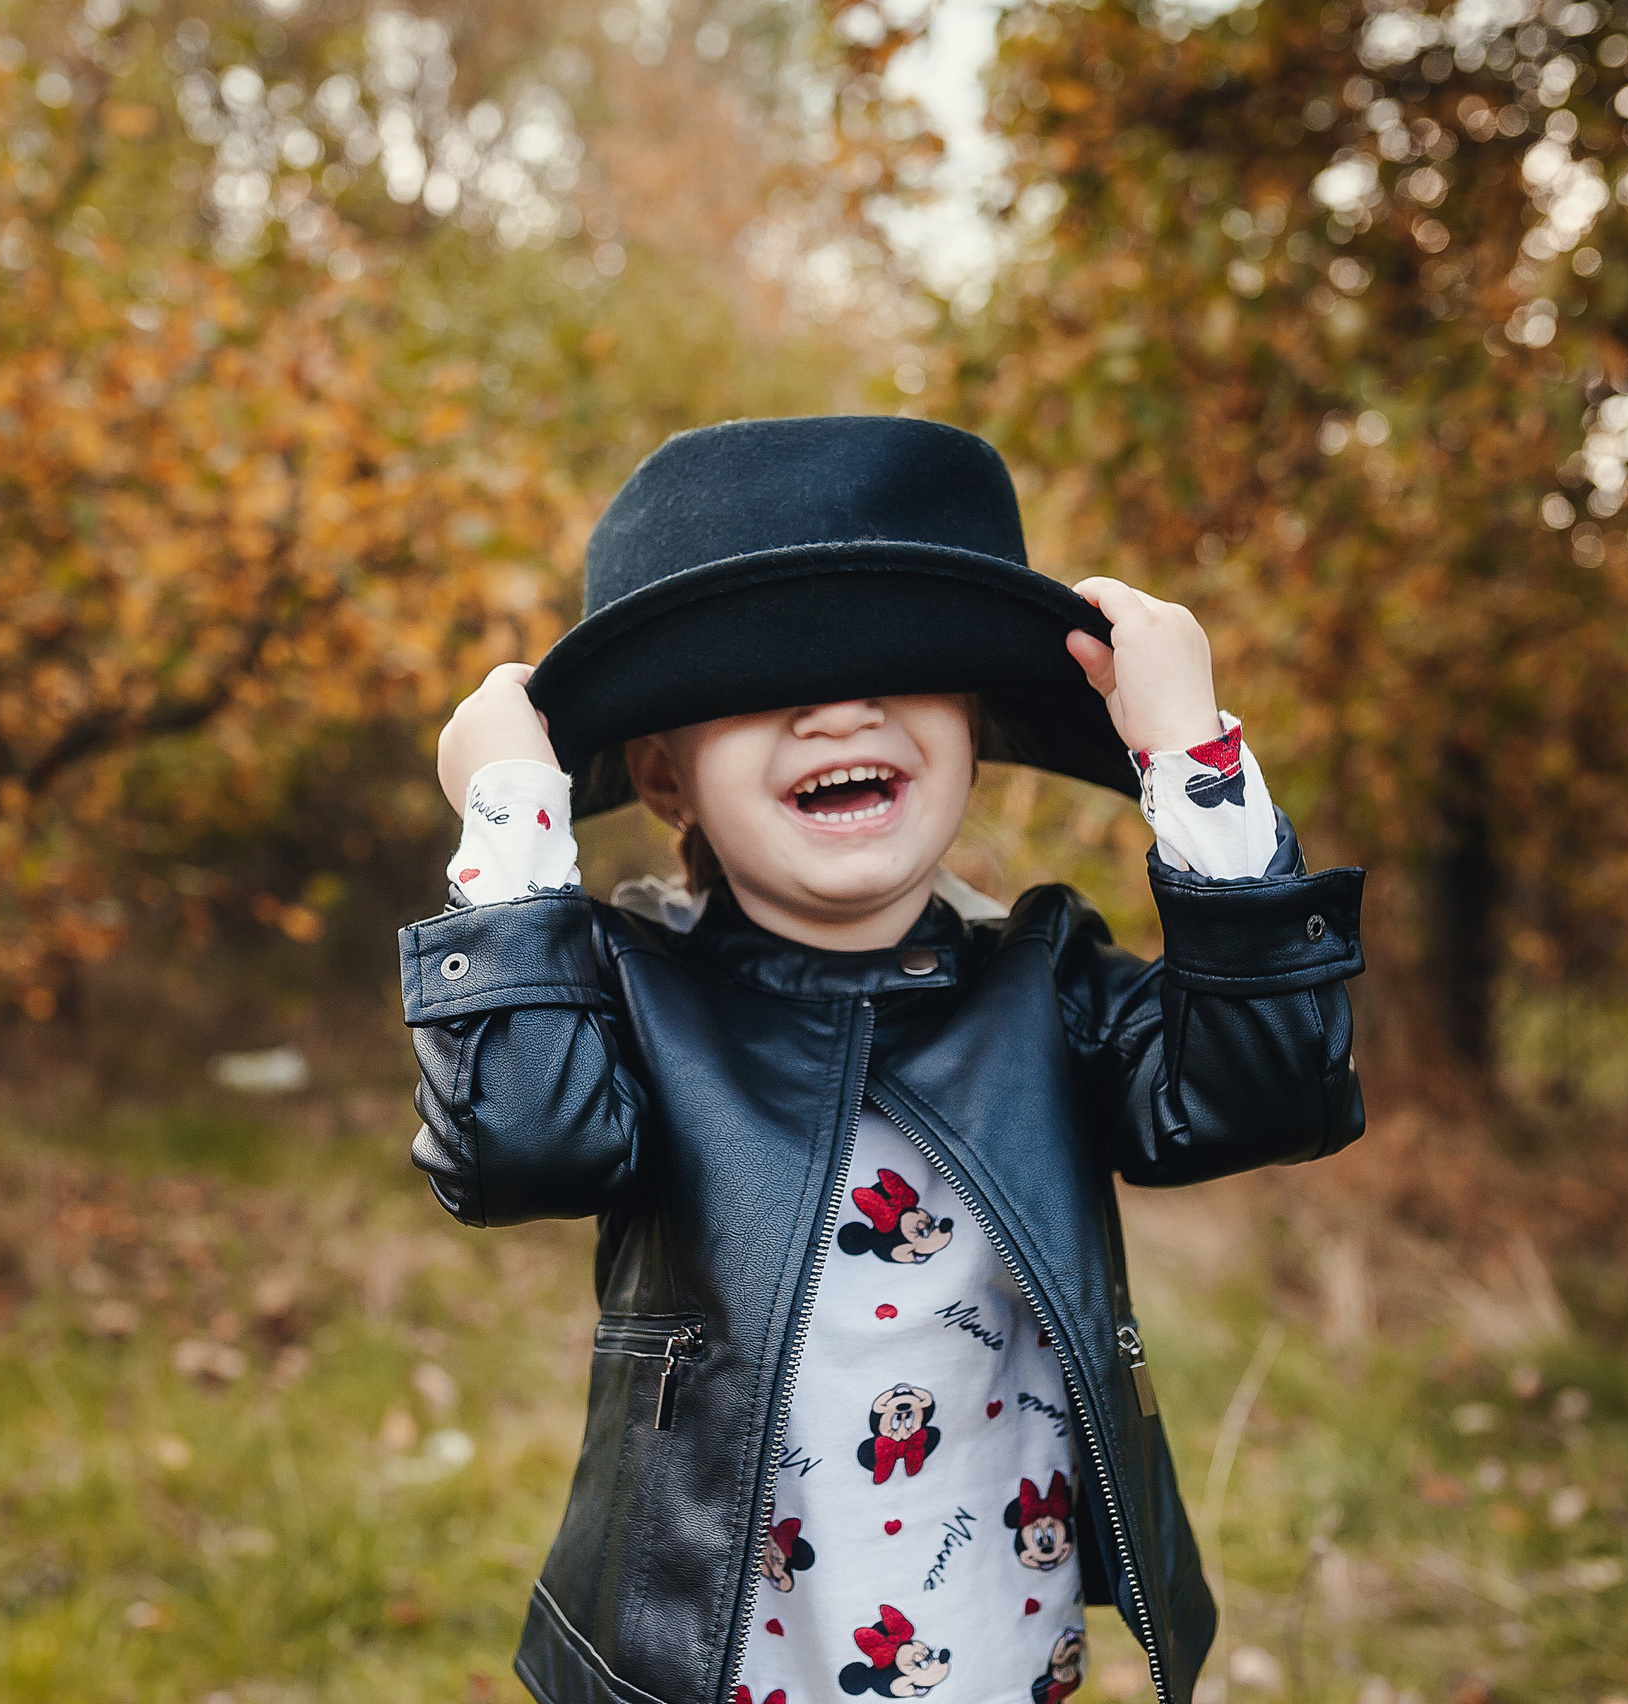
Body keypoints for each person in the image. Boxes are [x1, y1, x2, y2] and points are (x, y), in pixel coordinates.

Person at [399, 416, 1365, 1704]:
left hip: (994, 1639)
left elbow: (1267, 1095)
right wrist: (513, 829)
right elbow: (521, 1148)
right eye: (759, 679)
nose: (838, 707)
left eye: (901, 668)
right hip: (712, 1657)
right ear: (664, 778)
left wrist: (1194, 760)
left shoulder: (1049, 978)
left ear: (971, 724)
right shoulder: (628, 990)